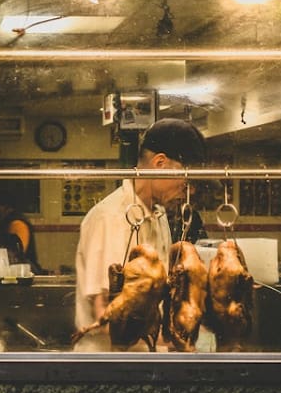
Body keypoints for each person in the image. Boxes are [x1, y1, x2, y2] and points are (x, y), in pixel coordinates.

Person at [73, 118, 206, 351]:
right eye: (185, 179)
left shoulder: (159, 215)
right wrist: (180, 342)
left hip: (148, 357)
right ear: (160, 163)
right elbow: (107, 316)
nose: (188, 189)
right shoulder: (110, 218)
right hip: (111, 366)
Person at [0, 191, 44, 275]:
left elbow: (16, 254)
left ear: (5, 207)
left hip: (23, 273)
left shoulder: (17, 224)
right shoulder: (3, 225)